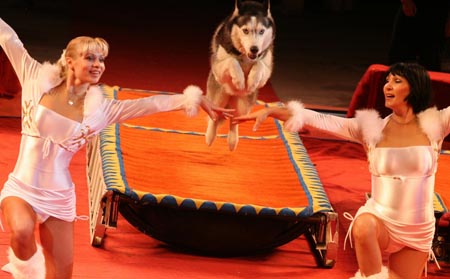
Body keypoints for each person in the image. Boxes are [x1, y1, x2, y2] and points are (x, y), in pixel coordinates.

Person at [0, 17, 232, 279]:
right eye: (90, 58)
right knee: (20, 230)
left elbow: (150, 104)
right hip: (22, 188)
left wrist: (193, 98)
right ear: (69, 60)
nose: (98, 65)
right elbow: (8, 38)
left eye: (101, 60)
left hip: (59, 197)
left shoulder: (102, 109)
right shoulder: (34, 77)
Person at [233, 62, 449, 278]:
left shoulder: (435, 124)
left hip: (417, 229)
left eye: (397, 81)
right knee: (363, 227)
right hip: (380, 220)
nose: (388, 86)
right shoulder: (370, 129)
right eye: (387, 81)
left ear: (415, 87)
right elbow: (319, 119)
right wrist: (270, 110)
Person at [388, 0, 449, 72]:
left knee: (431, 57)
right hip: (415, 5)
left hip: (438, 9)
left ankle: (428, 81)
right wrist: (406, 1)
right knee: (398, 55)